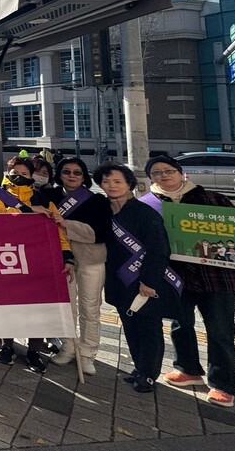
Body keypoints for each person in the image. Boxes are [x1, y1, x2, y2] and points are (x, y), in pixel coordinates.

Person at [144, 155, 235, 406]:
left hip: (217, 277)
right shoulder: (148, 204)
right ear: (150, 178)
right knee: (180, 324)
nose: (164, 176)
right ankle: (188, 369)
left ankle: (223, 384)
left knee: (220, 330)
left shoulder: (211, 198)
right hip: (176, 277)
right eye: (157, 173)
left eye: (168, 170)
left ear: (180, 172)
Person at [95, 163, 181, 393]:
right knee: (130, 325)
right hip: (118, 279)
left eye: (117, 181)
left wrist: (149, 281)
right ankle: (139, 367)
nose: (111, 186)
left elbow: (158, 248)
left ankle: (149, 374)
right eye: (106, 182)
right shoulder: (105, 210)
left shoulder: (144, 212)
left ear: (129, 184)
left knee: (148, 327)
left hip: (143, 280)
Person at [0, 156, 76, 373]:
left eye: (24, 174)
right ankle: (7, 345)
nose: (19, 176)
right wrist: (31, 211)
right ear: (7, 173)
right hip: (6, 258)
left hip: (38, 258)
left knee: (38, 307)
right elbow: (1, 216)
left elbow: (57, 231)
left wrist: (67, 257)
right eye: (15, 172)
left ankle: (34, 350)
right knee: (7, 304)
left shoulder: (44, 200)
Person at [42, 157, 112, 376]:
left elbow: (101, 232)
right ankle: (68, 347)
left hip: (91, 259)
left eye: (77, 172)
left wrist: (67, 225)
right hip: (61, 260)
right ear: (59, 175)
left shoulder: (97, 201)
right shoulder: (50, 197)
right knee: (66, 307)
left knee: (90, 308)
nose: (71, 176)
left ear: (84, 176)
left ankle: (88, 352)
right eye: (66, 172)